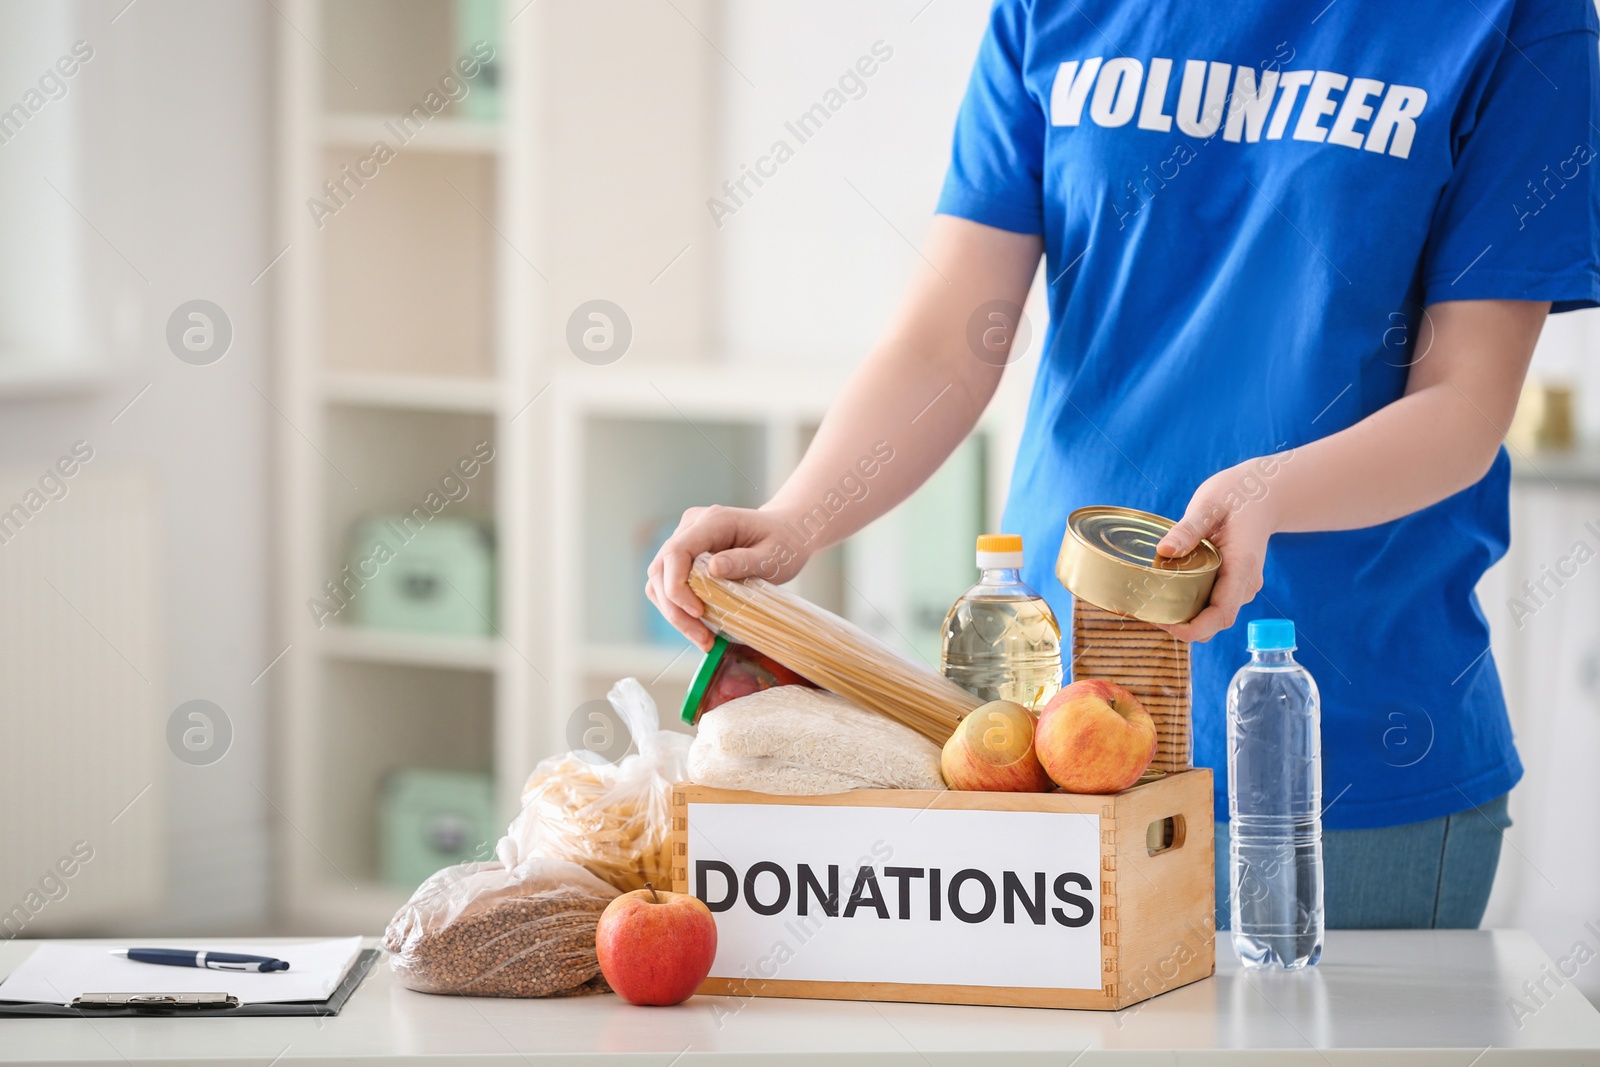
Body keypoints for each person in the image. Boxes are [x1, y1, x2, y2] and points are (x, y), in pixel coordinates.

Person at [648, 0, 1600, 929]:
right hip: (1052, 736)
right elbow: (951, 340)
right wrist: (796, 518)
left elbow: (1465, 405)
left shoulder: (1514, 16)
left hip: (1343, 755)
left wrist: (1270, 492)